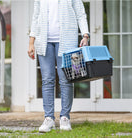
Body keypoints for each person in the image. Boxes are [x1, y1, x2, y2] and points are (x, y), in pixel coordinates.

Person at [28, 0, 89, 133]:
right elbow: (36, 17)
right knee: (47, 80)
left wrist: (85, 35)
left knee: (66, 80)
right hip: (44, 42)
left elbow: (80, 13)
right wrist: (31, 41)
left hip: (67, 41)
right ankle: (49, 118)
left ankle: (65, 117)